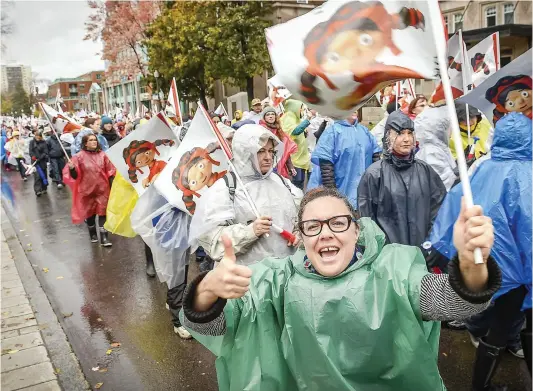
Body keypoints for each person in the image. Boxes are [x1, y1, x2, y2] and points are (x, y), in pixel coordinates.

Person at [182, 186, 501, 391]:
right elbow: (217, 325)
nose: (325, 234)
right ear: (302, 237)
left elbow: (456, 304)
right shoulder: (275, 282)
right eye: (312, 227)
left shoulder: (392, 272)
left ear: (356, 230)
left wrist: (472, 260)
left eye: (338, 222)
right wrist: (209, 288)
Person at [428, 113, 532, 390]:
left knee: (498, 329)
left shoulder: (482, 169)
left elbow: (456, 204)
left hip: (494, 268)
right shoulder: (529, 174)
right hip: (524, 270)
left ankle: (480, 386)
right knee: (521, 327)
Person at [189, 124, 302, 266]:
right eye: (261, 151)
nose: (268, 157)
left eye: (271, 151)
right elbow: (213, 242)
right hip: (245, 281)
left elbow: (301, 219)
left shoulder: (282, 182)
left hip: (286, 275)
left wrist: (299, 234)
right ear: (245, 152)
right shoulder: (224, 189)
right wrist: (250, 232)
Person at [358, 111, 446, 246]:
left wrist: (431, 245)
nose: (406, 139)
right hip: (389, 259)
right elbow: (367, 221)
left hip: (422, 256)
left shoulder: (425, 171)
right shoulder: (374, 175)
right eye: (400, 133)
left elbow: (440, 210)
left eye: (410, 133)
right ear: (388, 136)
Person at [308, 112, 381, 209]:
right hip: (341, 195)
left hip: (365, 197)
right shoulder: (332, 132)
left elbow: (376, 160)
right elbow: (326, 169)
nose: (354, 110)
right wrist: (334, 197)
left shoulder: (365, 132)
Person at [63, 134, 116, 246]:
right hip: (86, 191)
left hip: (102, 189)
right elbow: (75, 176)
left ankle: (104, 238)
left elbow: (110, 172)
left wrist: (113, 187)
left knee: (103, 213)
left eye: (95, 140)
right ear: (85, 143)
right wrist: (72, 169)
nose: (94, 142)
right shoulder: (78, 157)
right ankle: (92, 233)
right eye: (91, 140)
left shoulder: (103, 155)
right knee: (90, 215)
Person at [415, 105, 457, 191]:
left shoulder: (438, 147)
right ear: (440, 129)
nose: (451, 130)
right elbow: (442, 184)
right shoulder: (431, 152)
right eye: (448, 127)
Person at [281, 99, 312, 190]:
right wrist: (307, 120)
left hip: (300, 159)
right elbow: (294, 131)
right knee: (296, 185)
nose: (302, 111)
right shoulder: (288, 117)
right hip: (294, 160)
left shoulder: (296, 119)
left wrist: (304, 133)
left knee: (301, 183)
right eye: (301, 109)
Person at [259, 106, 297, 178]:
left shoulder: (279, 130)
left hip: (279, 164)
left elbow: (286, 150)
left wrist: (290, 166)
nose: (270, 116)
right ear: (264, 117)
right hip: (266, 163)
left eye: (272, 114)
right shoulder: (261, 129)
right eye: (268, 115)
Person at [29, 130, 49, 196]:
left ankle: (44, 188)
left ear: (41, 136)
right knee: (37, 176)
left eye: (39, 136)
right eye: (36, 135)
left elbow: (46, 152)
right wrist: (33, 156)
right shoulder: (32, 142)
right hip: (35, 162)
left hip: (42, 161)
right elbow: (30, 151)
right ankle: (37, 190)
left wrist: (40, 157)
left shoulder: (44, 142)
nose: (37, 137)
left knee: (43, 174)